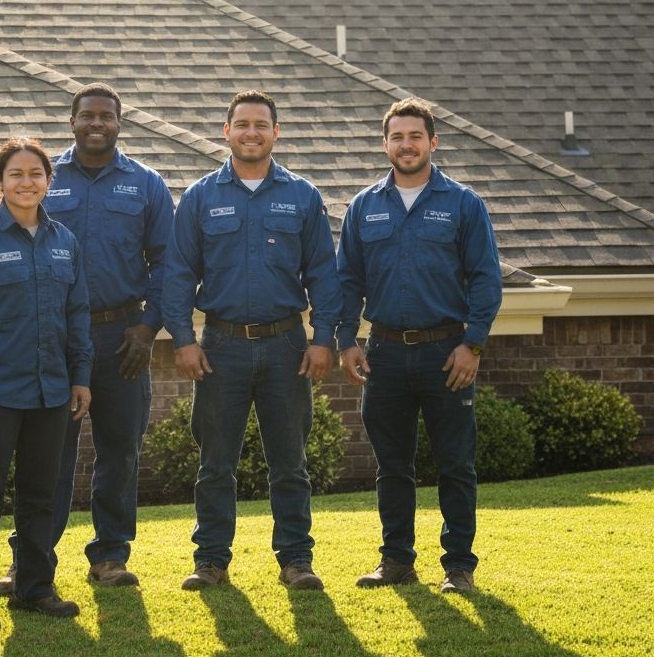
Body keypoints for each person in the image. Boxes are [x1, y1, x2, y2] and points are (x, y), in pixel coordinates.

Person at [0, 83, 174, 593]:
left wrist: (148, 324)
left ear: (120, 122)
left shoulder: (146, 185)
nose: (97, 123)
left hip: (124, 336)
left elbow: (169, 264)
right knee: (46, 453)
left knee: (120, 451)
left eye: (107, 116)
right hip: (54, 334)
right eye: (87, 115)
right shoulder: (46, 179)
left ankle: (110, 556)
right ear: (72, 121)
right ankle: (29, 560)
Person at [163, 89, 342, 592]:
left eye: (261, 124)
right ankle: (211, 561)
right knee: (215, 463)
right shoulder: (200, 197)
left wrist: (322, 338)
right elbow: (178, 273)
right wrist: (182, 338)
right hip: (220, 346)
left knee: (290, 464)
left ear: (275, 132)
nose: (251, 132)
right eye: (242, 123)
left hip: (288, 345)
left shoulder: (303, 196)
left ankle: (296, 561)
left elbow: (324, 277)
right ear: (227, 131)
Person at [336, 97, 502, 594]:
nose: (405, 145)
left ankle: (459, 568)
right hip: (383, 353)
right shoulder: (364, 207)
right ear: (384, 143)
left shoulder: (463, 204)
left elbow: (486, 279)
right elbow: (347, 281)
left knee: (455, 463)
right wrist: (348, 341)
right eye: (397, 137)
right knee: (392, 465)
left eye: (415, 136)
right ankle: (397, 562)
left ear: (433, 142)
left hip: (446, 352)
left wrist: (472, 345)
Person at [0, 137, 93, 631]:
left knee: (40, 497)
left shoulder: (65, 243)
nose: (26, 182)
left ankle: (34, 588)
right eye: (16, 174)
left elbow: (77, 317)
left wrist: (80, 378)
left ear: (49, 181)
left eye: (36, 174)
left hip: (52, 393)